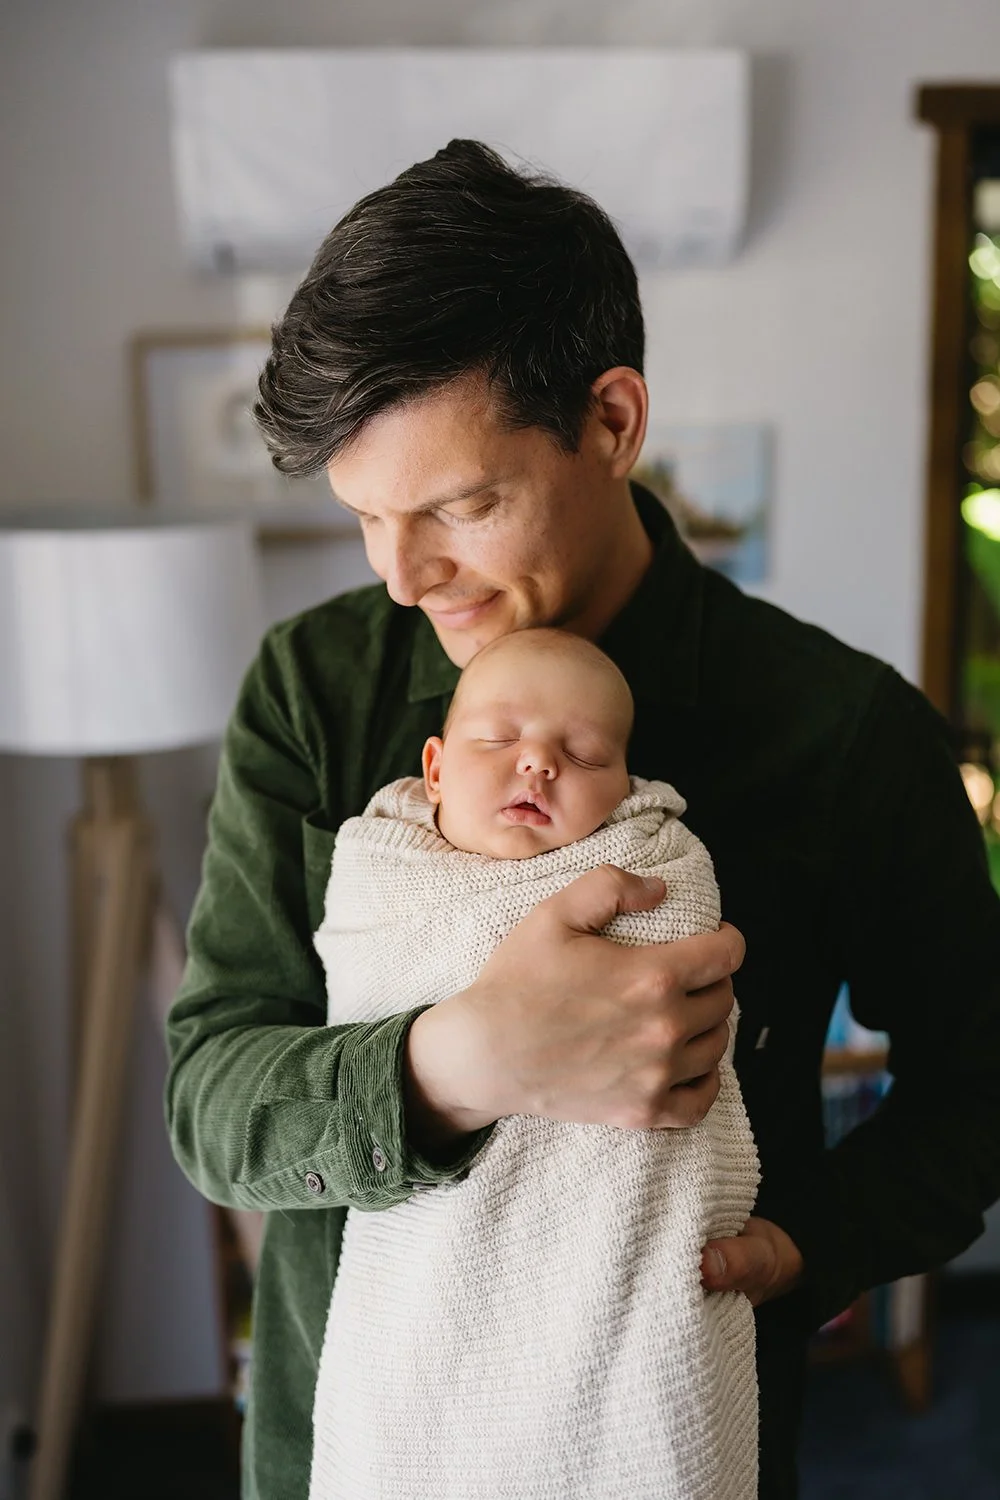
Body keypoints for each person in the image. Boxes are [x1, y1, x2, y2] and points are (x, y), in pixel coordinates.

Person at [164, 140, 1000, 1500]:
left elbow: (979, 1085)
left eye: (459, 506)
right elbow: (208, 1100)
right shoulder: (317, 691)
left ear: (614, 421)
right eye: (367, 520)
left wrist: (807, 1245)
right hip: (354, 1445)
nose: (403, 577)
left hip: (665, 1438)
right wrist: (455, 1064)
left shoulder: (843, 736)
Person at [308, 627, 760, 1500]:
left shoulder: (652, 864)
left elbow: (678, 939)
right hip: (424, 1288)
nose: (538, 765)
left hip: (617, 1282)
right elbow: (360, 985)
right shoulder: (383, 871)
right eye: (498, 740)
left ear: (628, 790)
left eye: (583, 754)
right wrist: (466, 1050)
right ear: (433, 769)